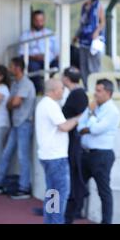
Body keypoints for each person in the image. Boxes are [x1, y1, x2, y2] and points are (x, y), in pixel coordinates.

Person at [0, 57, 36, 199]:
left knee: (22, 156)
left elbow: (15, 103)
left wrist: (12, 102)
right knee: (6, 154)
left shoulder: (25, 83)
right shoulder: (15, 84)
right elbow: (9, 104)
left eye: (11, 66)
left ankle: (24, 188)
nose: (9, 69)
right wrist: (12, 102)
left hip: (24, 123)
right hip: (16, 124)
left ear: (18, 68)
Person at [35, 79, 80, 224]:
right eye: (62, 88)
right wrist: (80, 117)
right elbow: (64, 127)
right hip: (56, 157)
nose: (63, 90)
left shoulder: (44, 104)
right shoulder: (50, 105)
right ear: (54, 90)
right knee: (59, 196)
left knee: (52, 194)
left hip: (49, 156)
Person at [76, 79, 120, 224]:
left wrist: (91, 116)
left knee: (103, 191)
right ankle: (76, 212)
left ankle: (106, 222)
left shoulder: (112, 110)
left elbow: (94, 129)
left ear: (108, 93)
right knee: (77, 184)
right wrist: (90, 118)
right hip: (86, 154)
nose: (95, 94)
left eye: (99, 91)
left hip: (102, 156)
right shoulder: (93, 107)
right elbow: (79, 127)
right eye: (95, 90)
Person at [61, 67, 89, 224]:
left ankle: (74, 210)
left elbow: (79, 118)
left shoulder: (77, 94)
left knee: (74, 176)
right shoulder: (77, 94)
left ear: (66, 79)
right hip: (72, 141)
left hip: (74, 141)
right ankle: (71, 210)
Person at [19, 10, 59, 94]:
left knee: (58, 66)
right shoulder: (25, 35)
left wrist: (54, 57)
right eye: (37, 20)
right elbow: (21, 53)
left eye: (41, 20)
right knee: (33, 68)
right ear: (32, 21)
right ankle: (40, 91)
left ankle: (55, 89)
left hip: (49, 60)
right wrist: (35, 57)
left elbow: (57, 51)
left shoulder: (50, 33)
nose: (39, 23)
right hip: (34, 60)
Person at [73, 0, 106, 89]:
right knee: (83, 66)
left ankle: (95, 87)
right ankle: (86, 87)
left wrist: (97, 32)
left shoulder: (98, 5)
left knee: (93, 66)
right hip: (83, 41)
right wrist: (76, 35)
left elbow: (102, 22)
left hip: (93, 42)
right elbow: (82, 23)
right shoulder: (84, 6)